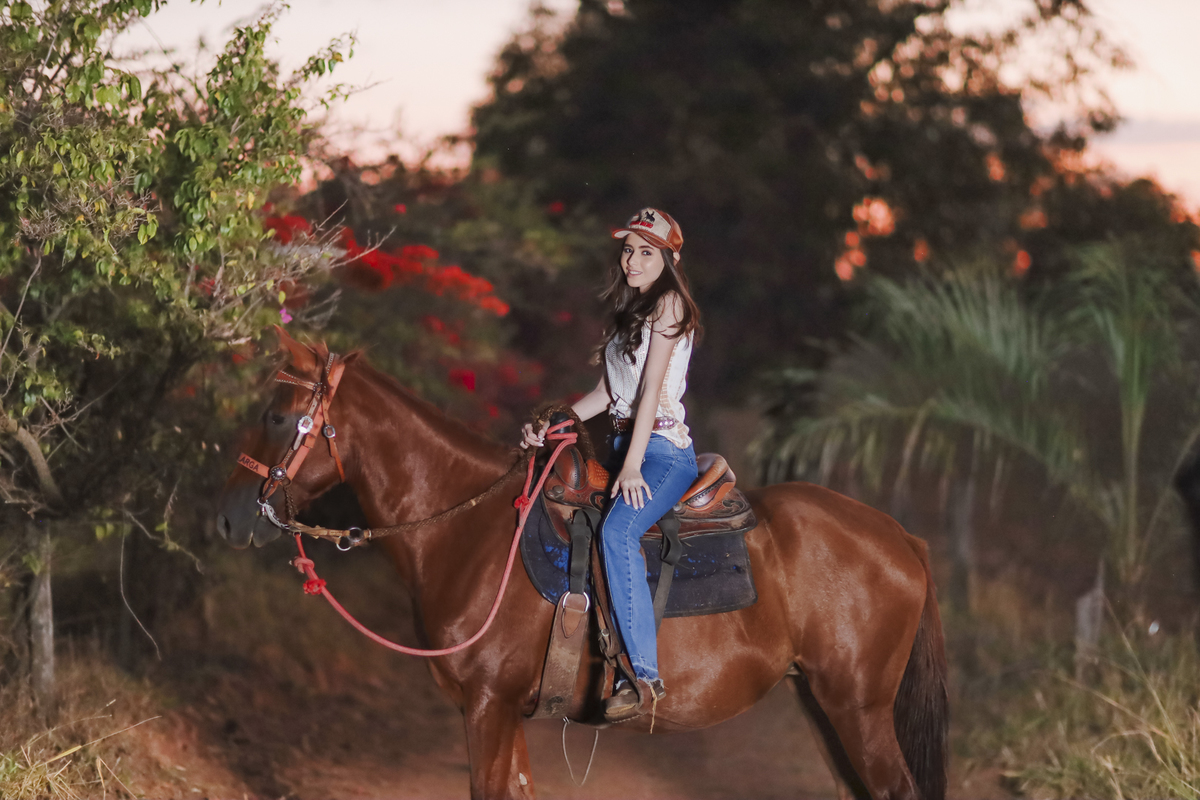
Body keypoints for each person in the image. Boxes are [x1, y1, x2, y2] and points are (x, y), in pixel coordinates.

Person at [521, 207, 701, 722]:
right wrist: (551, 424)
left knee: (619, 532)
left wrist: (633, 465)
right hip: (626, 446)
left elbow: (650, 391)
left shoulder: (669, 304)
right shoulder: (629, 314)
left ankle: (642, 675)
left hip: (662, 450)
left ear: (669, 260)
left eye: (646, 252)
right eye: (628, 250)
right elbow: (605, 395)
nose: (632, 260)